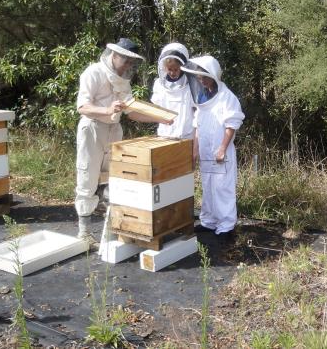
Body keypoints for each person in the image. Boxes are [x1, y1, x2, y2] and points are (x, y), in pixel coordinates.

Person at [74, 38, 172, 239]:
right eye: (126, 61)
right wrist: (107, 110)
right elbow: (82, 107)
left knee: (112, 177)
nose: (128, 65)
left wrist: (160, 118)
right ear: (114, 55)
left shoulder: (123, 80)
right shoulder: (93, 73)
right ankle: (84, 233)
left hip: (114, 130)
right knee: (87, 176)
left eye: (131, 62)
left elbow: (132, 112)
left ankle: (110, 231)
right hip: (92, 129)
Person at [181, 56, 245, 242]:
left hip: (220, 153)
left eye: (204, 77)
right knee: (208, 187)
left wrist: (222, 148)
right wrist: (195, 151)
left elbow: (232, 124)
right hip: (206, 152)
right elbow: (198, 125)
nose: (201, 80)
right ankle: (209, 222)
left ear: (213, 75)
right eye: (199, 77)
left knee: (223, 189)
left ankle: (226, 226)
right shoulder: (202, 97)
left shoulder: (227, 97)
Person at [150, 42, 195, 140]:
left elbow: (196, 112)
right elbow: (156, 108)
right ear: (164, 67)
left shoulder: (190, 85)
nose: (172, 72)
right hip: (164, 134)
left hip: (186, 136)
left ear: (182, 67)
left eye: (176, 69)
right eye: (170, 69)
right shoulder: (159, 84)